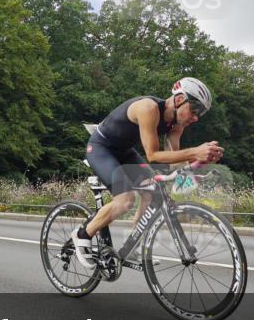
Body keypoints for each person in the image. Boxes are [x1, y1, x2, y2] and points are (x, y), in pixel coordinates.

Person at [73, 78, 223, 268]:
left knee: (152, 192)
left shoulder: (178, 123)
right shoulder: (148, 108)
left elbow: (173, 159)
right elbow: (153, 155)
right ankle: (82, 235)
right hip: (101, 148)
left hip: (125, 152)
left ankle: (131, 246)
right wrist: (195, 151)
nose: (196, 118)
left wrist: (194, 167)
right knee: (125, 200)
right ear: (179, 100)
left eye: (200, 113)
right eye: (195, 110)